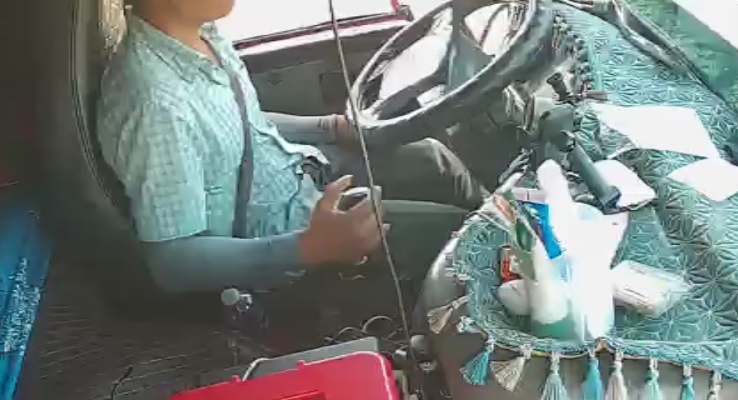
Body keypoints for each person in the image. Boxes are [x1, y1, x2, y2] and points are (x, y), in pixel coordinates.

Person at [96, 0, 486, 302]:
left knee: (434, 159)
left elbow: (239, 121)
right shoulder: (154, 104)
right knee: (465, 241)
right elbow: (171, 263)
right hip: (286, 242)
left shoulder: (198, 36)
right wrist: (309, 248)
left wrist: (329, 127)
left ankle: (498, 211)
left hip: (303, 168)